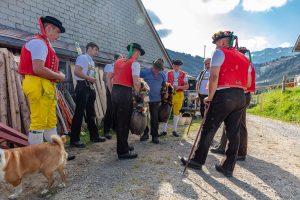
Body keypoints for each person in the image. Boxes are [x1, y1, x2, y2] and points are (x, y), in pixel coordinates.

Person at [181, 31, 252, 177]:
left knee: (209, 127)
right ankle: (227, 167)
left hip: (223, 94)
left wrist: (210, 97)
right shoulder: (245, 59)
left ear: (224, 42)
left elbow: (214, 76)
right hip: (240, 96)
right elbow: (249, 83)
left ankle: (197, 160)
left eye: (217, 43)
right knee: (234, 132)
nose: (216, 46)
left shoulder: (219, 53)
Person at [19, 16, 75, 160]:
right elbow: (38, 68)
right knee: (38, 122)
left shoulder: (44, 43)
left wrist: (55, 76)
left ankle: (56, 154)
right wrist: (59, 76)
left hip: (45, 85)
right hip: (38, 83)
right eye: (57, 32)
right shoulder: (39, 43)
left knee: (50, 121)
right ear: (48, 28)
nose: (58, 35)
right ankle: (34, 158)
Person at [210, 46, 256, 161]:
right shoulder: (246, 63)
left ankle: (241, 152)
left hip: (242, 94)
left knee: (240, 124)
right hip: (240, 94)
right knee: (230, 122)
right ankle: (222, 146)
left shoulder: (243, 63)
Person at [70, 42, 106, 148]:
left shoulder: (91, 61)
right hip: (82, 86)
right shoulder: (83, 58)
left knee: (91, 113)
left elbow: (91, 73)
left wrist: (92, 78)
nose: (96, 52)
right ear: (89, 48)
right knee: (79, 113)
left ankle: (94, 136)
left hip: (90, 86)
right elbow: (76, 72)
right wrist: (89, 78)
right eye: (95, 49)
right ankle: (74, 140)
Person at [112, 43, 144, 160]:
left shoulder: (118, 61)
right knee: (124, 122)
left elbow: (111, 77)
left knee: (120, 121)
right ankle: (123, 152)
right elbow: (136, 82)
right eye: (139, 53)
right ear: (137, 52)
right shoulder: (134, 63)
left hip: (115, 92)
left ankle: (124, 145)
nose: (139, 55)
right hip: (124, 92)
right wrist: (139, 94)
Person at [160, 59, 189, 137]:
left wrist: (178, 87)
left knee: (176, 112)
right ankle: (164, 130)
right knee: (167, 111)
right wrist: (166, 92)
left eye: (178, 66)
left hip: (179, 94)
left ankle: (174, 130)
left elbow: (187, 86)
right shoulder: (168, 73)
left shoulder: (184, 74)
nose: (176, 67)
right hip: (170, 94)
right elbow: (165, 84)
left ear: (180, 66)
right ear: (172, 66)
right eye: (175, 66)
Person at [140, 58, 166, 144]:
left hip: (156, 99)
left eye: (158, 70)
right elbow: (137, 81)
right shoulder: (144, 72)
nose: (156, 71)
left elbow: (164, 86)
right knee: (145, 117)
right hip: (146, 99)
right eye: (155, 69)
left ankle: (154, 136)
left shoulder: (162, 75)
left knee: (154, 118)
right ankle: (145, 133)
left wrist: (166, 93)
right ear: (153, 65)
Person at [103, 54, 123, 139]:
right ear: (115, 59)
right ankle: (106, 130)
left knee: (118, 109)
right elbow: (104, 78)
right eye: (119, 59)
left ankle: (115, 127)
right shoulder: (109, 66)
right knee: (110, 109)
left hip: (119, 89)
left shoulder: (121, 67)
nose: (121, 60)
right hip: (111, 88)